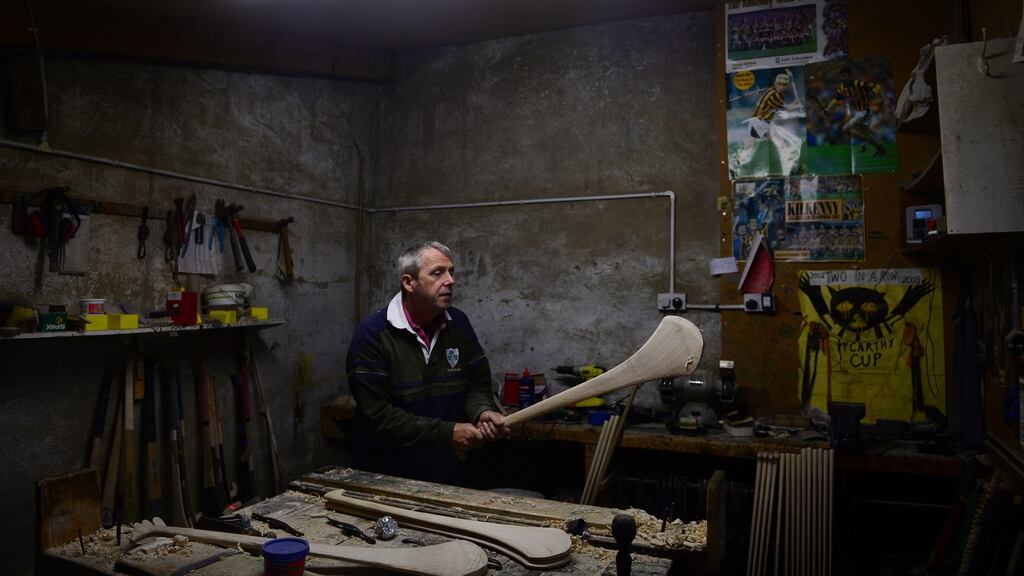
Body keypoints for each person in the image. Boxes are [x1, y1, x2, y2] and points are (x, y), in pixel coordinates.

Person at [346, 241, 509, 484]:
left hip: (445, 473)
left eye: (451, 271)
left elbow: (477, 384)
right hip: (387, 475)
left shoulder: (458, 324)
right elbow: (378, 416)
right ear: (408, 283)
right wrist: (447, 432)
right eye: (437, 273)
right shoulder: (373, 335)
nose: (450, 280)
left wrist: (482, 411)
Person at [731, 71, 805, 177]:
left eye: (784, 85)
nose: (781, 86)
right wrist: (796, 105)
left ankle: (792, 167)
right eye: (780, 84)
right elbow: (783, 109)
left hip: (766, 123)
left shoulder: (777, 94)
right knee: (749, 149)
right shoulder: (773, 94)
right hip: (758, 123)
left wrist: (795, 104)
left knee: (781, 145)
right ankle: (734, 166)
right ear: (775, 83)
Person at [823, 66, 887, 156]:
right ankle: (880, 148)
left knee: (845, 129)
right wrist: (828, 109)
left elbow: (878, 88)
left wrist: (886, 100)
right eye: (841, 77)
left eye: (844, 76)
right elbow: (836, 100)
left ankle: (864, 140)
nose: (842, 78)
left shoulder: (859, 84)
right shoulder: (841, 88)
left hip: (865, 111)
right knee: (866, 133)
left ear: (850, 75)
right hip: (857, 112)